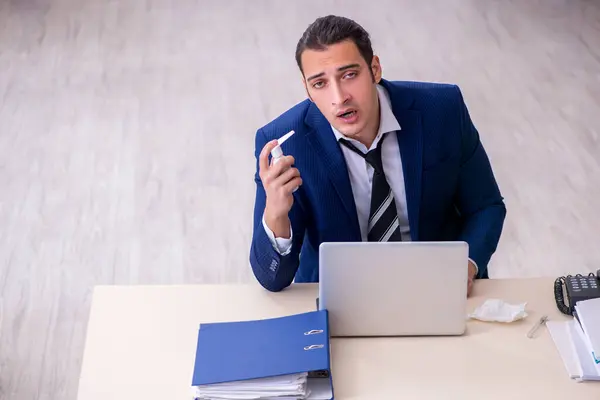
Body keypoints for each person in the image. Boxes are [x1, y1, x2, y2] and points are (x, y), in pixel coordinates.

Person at [249, 15, 506, 294]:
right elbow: (272, 279)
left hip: (435, 286)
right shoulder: (286, 143)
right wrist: (275, 212)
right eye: (320, 83)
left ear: (374, 68)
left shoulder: (442, 110)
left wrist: (465, 266)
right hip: (340, 295)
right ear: (307, 90)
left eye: (349, 75)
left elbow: (486, 207)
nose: (339, 97)